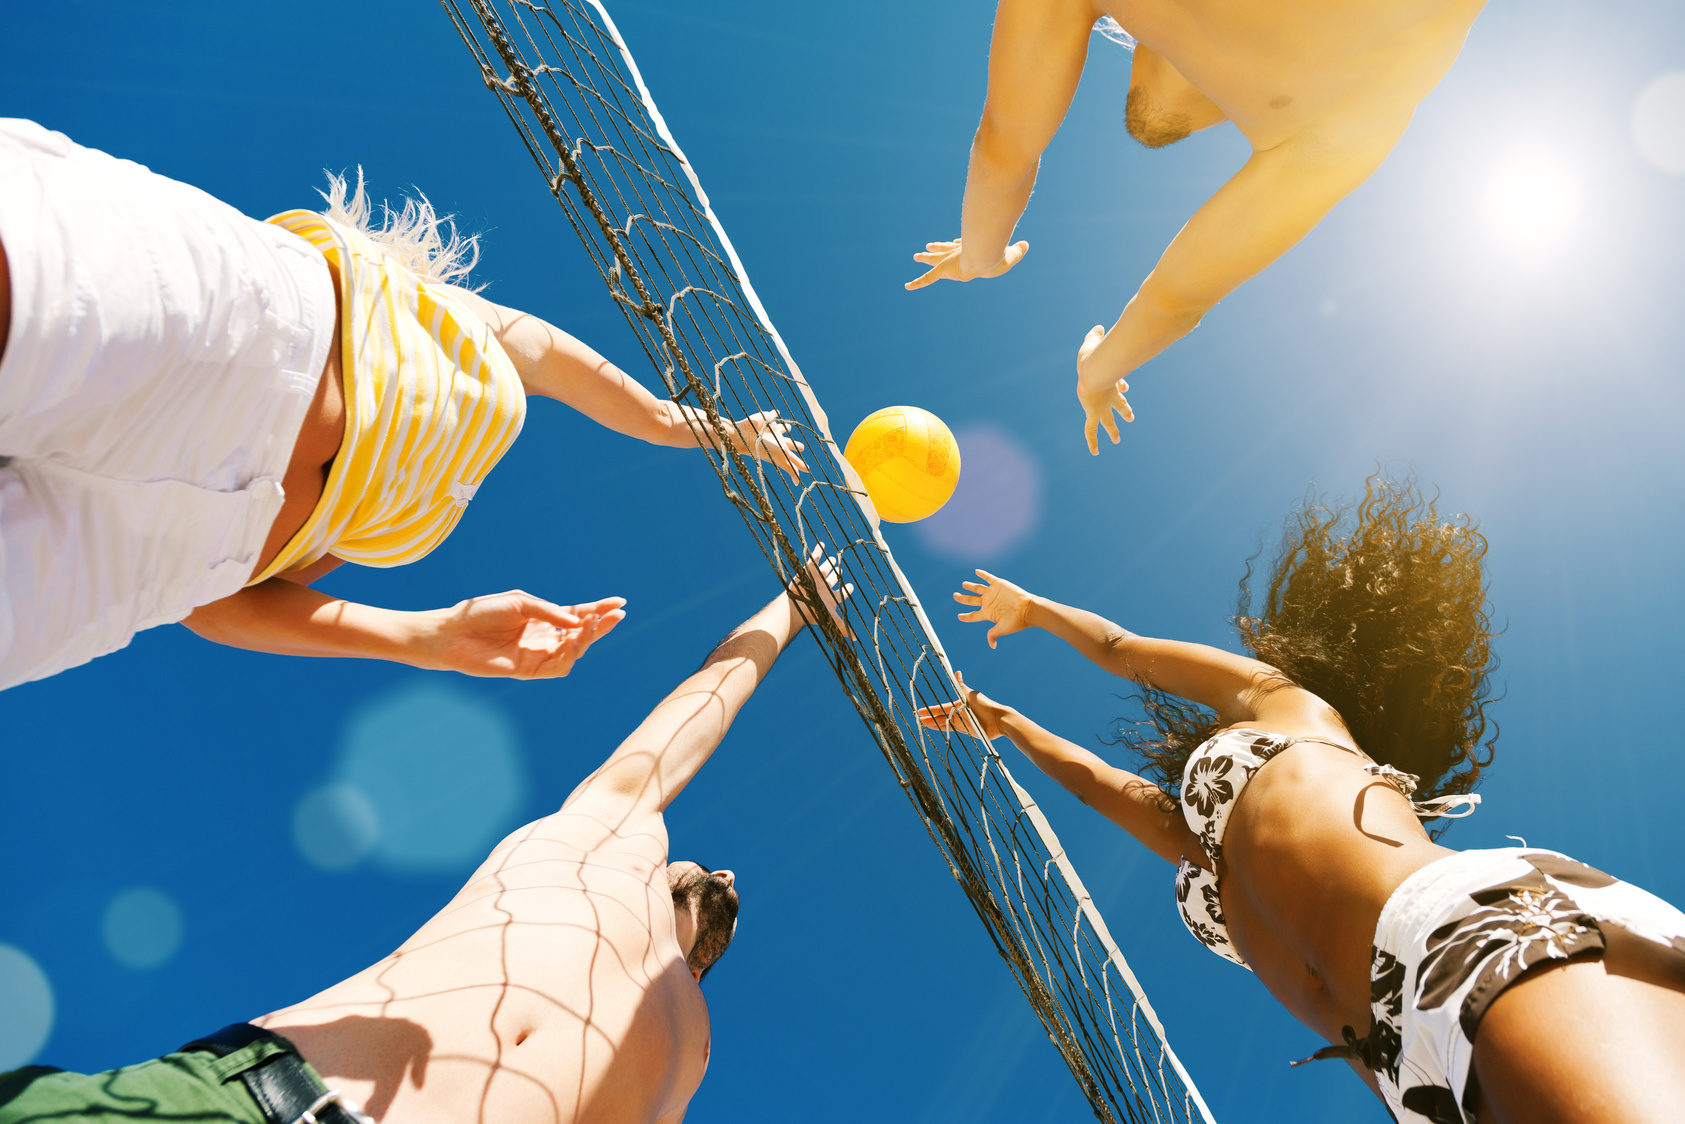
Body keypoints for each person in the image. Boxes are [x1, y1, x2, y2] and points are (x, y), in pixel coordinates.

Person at [917, 478, 1685, 1122]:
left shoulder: (1287, 701)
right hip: (1408, 1076)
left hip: (1459, 928)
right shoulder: (1198, 845)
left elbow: (1122, 651)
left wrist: (1034, 610)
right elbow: (1092, 785)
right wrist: (1008, 723)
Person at [0, 549, 852, 1124]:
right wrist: (793, 610)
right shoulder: (616, 836)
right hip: (273, 1101)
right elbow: (704, 704)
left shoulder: (691, 1047)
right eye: (714, 866)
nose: (730, 872)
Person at [0, 118, 804, 691]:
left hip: (165, 563)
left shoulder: (388, 512)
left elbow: (217, 608)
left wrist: (430, 638)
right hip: (254, 332)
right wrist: (709, 428)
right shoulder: (443, 314)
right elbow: (591, 379)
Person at [904, 0, 1489, 456]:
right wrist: (983, 254)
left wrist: (1094, 371)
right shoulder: (1349, 125)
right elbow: (1000, 153)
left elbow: (1174, 302)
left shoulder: (1347, 128)